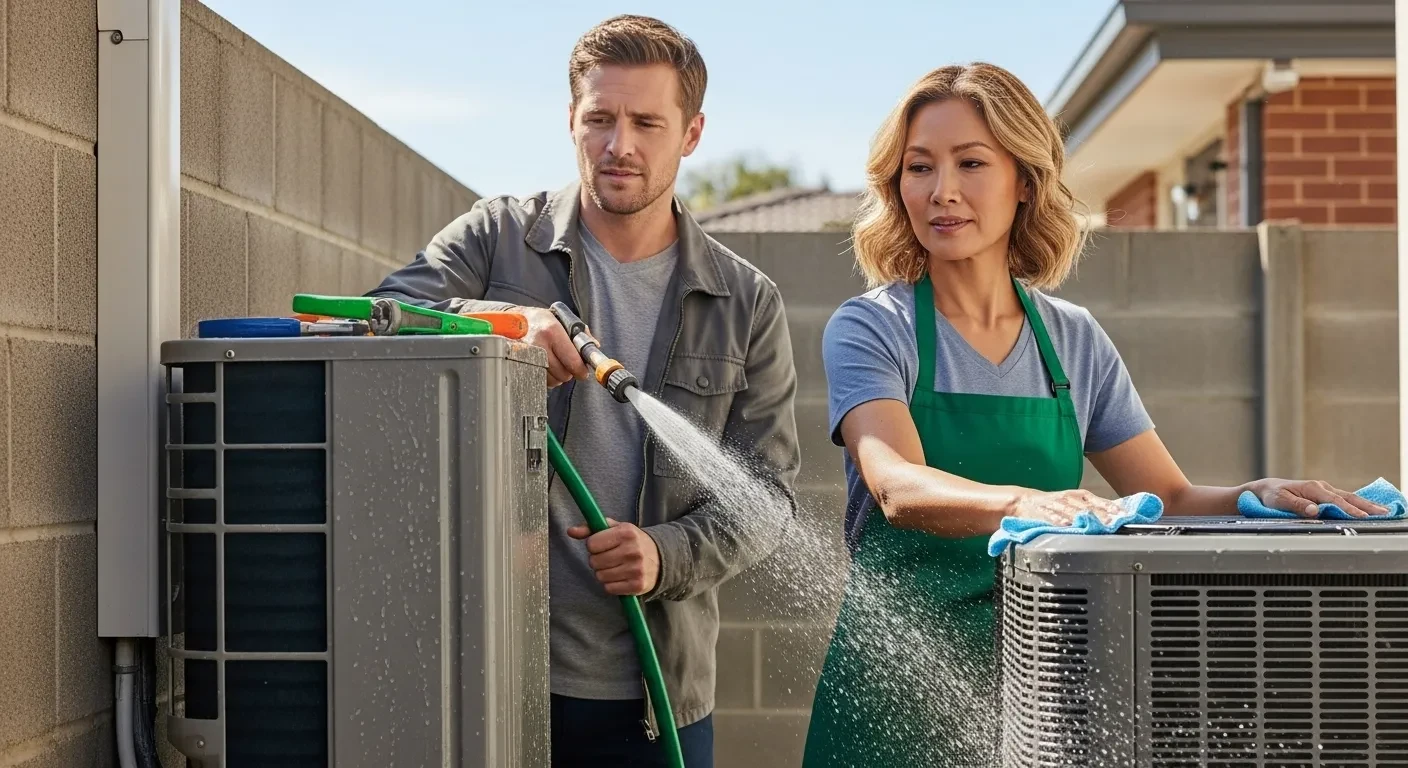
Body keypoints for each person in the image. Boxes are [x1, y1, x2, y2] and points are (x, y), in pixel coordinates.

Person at [801, 62, 1389, 768]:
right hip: (892, 687)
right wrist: (1028, 502)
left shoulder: (1073, 339)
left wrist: (1252, 494)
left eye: (971, 163)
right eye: (919, 167)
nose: (942, 191)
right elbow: (895, 484)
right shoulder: (872, 327)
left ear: (1025, 181)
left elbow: (1168, 497)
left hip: (1041, 691)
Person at [365, 15, 800, 768]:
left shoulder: (746, 301)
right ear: (572, 119)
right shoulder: (495, 238)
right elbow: (372, 325)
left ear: (690, 134)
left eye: (646, 122)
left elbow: (767, 496)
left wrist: (667, 556)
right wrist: (503, 324)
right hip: (484, 674)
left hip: (658, 702)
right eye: (599, 118)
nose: (619, 144)